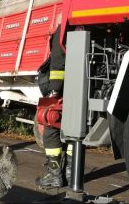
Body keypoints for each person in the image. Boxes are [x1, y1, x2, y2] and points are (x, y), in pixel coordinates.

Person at [35, 28, 73, 189]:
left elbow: (58, 58)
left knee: (50, 126)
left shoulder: (65, 27)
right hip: (80, 87)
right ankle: (71, 173)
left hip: (60, 90)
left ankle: (54, 175)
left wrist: (54, 90)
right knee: (74, 130)